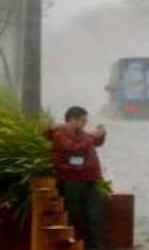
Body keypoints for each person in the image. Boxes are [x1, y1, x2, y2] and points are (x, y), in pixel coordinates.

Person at [50, 106, 107, 250]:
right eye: (82, 121)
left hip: (90, 179)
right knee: (76, 217)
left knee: (95, 216)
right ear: (72, 120)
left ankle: (96, 246)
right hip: (72, 181)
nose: (84, 125)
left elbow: (95, 142)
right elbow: (75, 148)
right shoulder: (60, 134)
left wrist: (101, 134)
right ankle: (78, 246)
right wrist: (93, 136)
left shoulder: (82, 134)